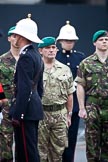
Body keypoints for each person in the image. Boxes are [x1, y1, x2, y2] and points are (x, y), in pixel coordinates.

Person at [9, 14, 44, 162]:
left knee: (26, 153)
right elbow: (40, 87)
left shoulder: (26, 57)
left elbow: (24, 88)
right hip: (33, 108)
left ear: (21, 36)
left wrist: (18, 114)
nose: (14, 37)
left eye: (16, 34)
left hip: (26, 111)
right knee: (29, 148)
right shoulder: (36, 55)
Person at [38, 36, 74, 162]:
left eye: (53, 47)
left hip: (60, 114)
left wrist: (69, 115)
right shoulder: (36, 68)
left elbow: (70, 93)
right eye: (47, 48)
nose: (51, 50)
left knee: (58, 152)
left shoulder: (65, 69)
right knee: (40, 152)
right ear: (40, 51)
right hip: (41, 114)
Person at [56, 20, 86, 162]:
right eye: (67, 40)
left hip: (73, 105)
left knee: (71, 138)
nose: (69, 43)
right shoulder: (54, 56)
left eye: (72, 40)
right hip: (56, 104)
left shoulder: (80, 57)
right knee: (56, 139)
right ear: (60, 40)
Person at [76, 30, 108, 162]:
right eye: (101, 40)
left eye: (106, 39)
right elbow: (80, 86)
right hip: (92, 105)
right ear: (95, 42)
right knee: (92, 141)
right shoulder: (86, 63)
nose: (105, 42)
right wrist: (82, 108)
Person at [0, 26, 20, 162]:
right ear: (8, 38)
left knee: (23, 143)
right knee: (5, 142)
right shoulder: (1, 60)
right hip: (6, 106)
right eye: (13, 35)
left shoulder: (29, 58)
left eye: (19, 36)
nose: (16, 38)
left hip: (24, 106)